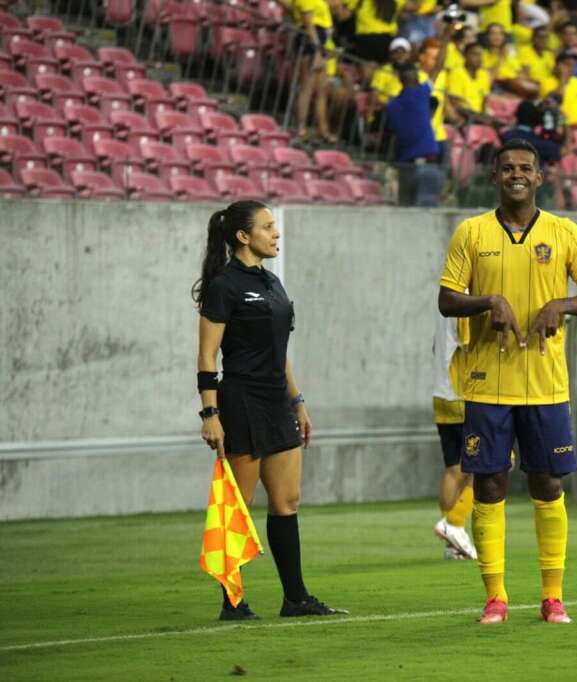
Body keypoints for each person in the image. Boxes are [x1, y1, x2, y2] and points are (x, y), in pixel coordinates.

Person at [438, 138, 577, 624]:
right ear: (494, 176)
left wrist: (561, 304)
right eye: (507, 167)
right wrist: (487, 301)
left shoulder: (564, 232)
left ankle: (552, 596)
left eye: (525, 168)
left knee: (547, 482)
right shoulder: (471, 233)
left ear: (539, 177)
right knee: (490, 483)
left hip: (546, 384)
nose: (516, 174)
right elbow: (447, 299)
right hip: (487, 381)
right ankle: (496, 596)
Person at [194, 201, 343, 620]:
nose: (276, 234)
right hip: (241, 403)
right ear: (243, 236)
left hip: (278, 403)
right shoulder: (224, 285)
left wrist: (298, 402)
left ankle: (295, 599)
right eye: (267, 227)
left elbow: (280, 353)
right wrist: (210, 415)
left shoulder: (273, 282)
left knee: (287, 501)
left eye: (275, 226)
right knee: (237, 504)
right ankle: (233, 602)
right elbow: (207, 357)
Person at [431, 313, 479, 560]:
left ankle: (452, 544)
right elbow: (473, 345)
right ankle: (455, 522)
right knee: (497, 459)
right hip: (463, 393)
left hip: (442, 393)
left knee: (454, 469)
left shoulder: (446, 302)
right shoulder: (467, 300)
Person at [385, 64, 443, 206]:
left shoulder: (391, 105)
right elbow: (438, 66)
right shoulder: (422, 92)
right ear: (417, 79)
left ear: (400, 80)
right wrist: (445, 42)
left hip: (405, 164)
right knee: (427, 209)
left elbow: (393, 129)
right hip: (428, 161)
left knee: (406, 206)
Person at [292, 0, 336, 142]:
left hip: (322, 41)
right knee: (307, 87)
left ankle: (323, 129)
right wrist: (316, 48)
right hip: (311, 42)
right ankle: (301, 127)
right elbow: (308, 23)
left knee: (321, 90)